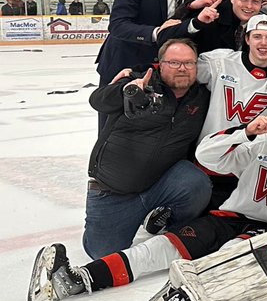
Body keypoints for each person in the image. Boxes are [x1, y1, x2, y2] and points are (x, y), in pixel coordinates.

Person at [28, 101, 267, 301]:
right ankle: (79, 279)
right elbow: (207, 156)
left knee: (229, 256)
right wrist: (246, 132)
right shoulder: (259, 145)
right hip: (227, 218)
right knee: (160, 248)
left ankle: (192, 296)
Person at [82, 39, 213, 259]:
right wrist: (125, 90)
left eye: (189, 63)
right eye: (174, 62)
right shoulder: (139, 83)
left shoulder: (201, 97)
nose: (182, 68)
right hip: (115, 190)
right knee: (102, 252)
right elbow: (98, 100)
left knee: (197, 183)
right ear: (160, 64)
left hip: (161, 182)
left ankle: (164, 216)